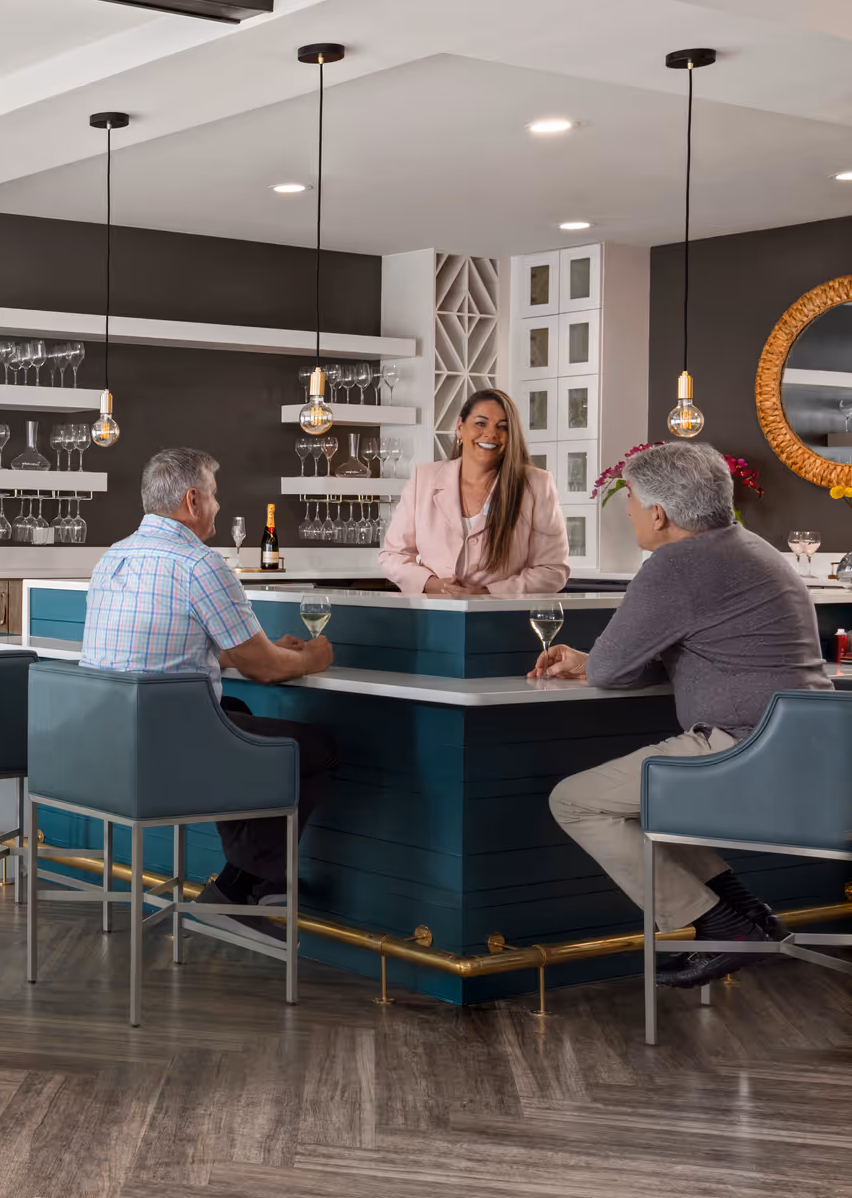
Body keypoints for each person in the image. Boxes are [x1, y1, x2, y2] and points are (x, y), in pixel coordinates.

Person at [536, 441, 830, 988]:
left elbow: (610, 672)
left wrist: (592, 662)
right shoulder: (754, 549)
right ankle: (749, 916)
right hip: (808, 748)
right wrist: (596, 661)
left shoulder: (676, 564)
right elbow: (706, 651)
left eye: (630, 503)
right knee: (656, 801)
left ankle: (718, 924)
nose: (627, 514)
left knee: (575, 802)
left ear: (658, 512)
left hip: (742, 747)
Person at [80, 448, 339, 929]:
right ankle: (252, 888)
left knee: (233, 709)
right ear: (193, 500)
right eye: (215, 496)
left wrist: (249, 651)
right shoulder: (199, 564)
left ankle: (241, 884)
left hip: (107, 750)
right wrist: (312, 656)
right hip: (171, 758)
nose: (219, 506)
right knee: (315, 748)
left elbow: (165, 645)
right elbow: (263, 668)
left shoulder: (111, 558)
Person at [380, 389, 569, 595]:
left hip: (501, 617)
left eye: (503, 427)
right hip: (434, 614)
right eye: (481, 423)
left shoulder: (536, 484)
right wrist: (436, 585)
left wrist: (487, 592)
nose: (491, 433)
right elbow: (393, 556)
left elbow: (552, 570)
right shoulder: (423, 479)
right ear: (460, 427)